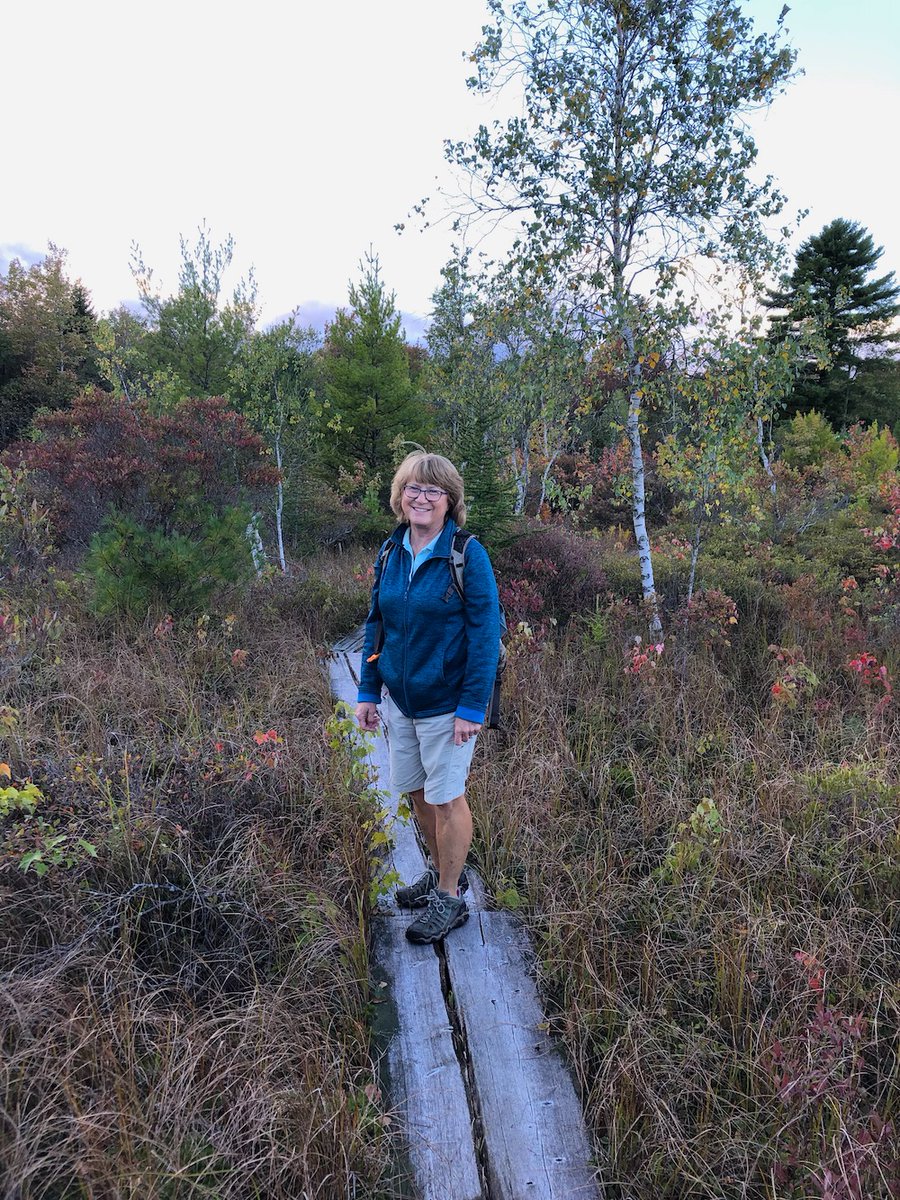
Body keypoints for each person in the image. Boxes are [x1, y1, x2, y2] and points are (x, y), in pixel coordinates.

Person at [355, 451, 500, 944]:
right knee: (417, 792)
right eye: (413, 488)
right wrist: (368, 692)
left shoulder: (466, 554)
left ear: (449, 501)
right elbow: (377, 622)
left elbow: (485, 635)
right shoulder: (391, 551)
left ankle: (451, 899)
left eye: (433, 490)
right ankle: (444, 876)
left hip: (447, 705)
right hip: (401, 701)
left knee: (446, 798)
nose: (421, 497)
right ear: (400, 496)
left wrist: (471, 707)